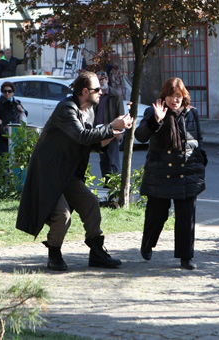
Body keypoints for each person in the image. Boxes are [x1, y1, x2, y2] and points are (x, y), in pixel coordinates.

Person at [15, 71, 134, 271]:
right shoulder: (66, 108)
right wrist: (111, 125)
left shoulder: (89, 111)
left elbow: (91, 143)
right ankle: (54, 253)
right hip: (48, 173)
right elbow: (82, 136)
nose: (101, 92)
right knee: (63, 215)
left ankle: (96, 252)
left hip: (68, 172)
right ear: (85, 91)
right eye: (97, 89)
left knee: (90, 203)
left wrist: (115, 132)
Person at [134, 77, 207, 270]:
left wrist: (200, 161)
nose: (175, 100)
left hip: (187, 172)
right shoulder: (153, 112)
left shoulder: (191, 113)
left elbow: (198, 139)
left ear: (184, 97)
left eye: (178, 96)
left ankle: (186, 257)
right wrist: (156, 120)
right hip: (161, 172)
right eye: (171, 96)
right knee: (156, 214)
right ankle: (147, 244)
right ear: (164, 96)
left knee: (186, 217)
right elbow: (140, 136)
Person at [94, 71, 125, 182]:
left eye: (102, 79)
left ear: (107, 79)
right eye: (98, 80)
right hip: (99, 131)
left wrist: (119, 131)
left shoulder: (115, 95)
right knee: (103, 161)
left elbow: (121, 113)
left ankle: (117, 185)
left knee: (114, 161)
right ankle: (106, 184)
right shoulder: (96, 95)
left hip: (112, 131)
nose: (101, 82)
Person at [0, 81, 27, 156]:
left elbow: (25, 114)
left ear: (13, 92)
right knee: (3, 157)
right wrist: (0, 126)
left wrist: (21, 110)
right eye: (5, 91)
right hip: (3, 133)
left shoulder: (17, 102)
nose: (7, 93)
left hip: (15, 132)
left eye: (9, 91)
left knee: (15, 155)